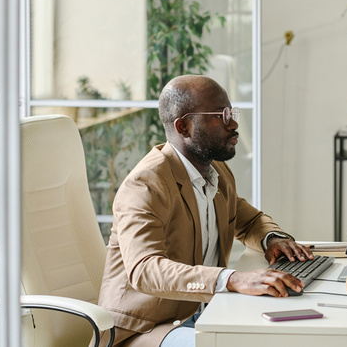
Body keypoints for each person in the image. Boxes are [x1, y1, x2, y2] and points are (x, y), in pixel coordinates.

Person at [97, 75, 314, 347]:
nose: (233, 124)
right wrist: (232, 279)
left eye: (231, 112)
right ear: (184, 126)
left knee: (287, 333)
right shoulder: (145, 185)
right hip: (145, 331)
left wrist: (273, 239)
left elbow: (250, 221)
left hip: (204, 314)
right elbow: (145, 269)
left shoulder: (216, 171)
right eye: (220, 115)